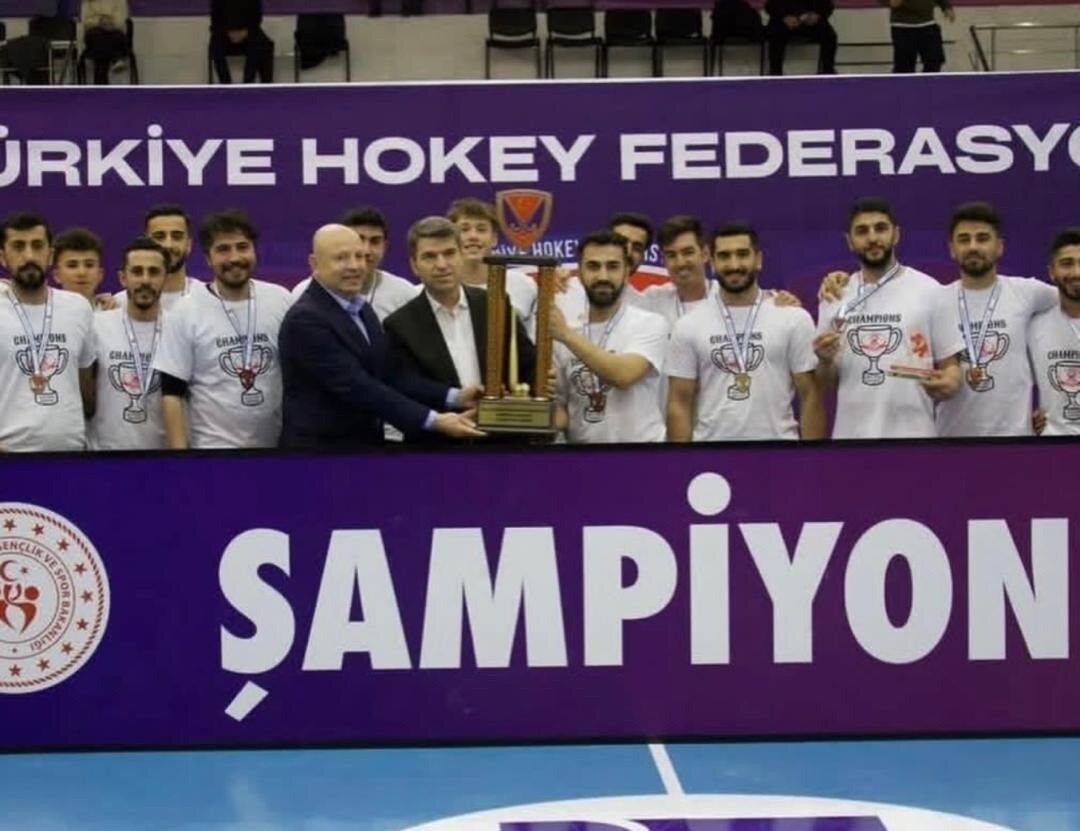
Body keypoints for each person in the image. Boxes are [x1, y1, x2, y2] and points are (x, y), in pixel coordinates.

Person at [278, 224, 483, 449]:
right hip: (319, 454)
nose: (354, 266)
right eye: (341, 258)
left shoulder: (362, 310)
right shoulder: (305, 319)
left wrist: (456, 397)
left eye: (360, 256)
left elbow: (389, 374)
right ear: (314, 264)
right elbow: (357, 386)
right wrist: (434, 420)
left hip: (364, 448)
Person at [815, 197, 962, 438]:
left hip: (914, 437)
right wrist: (824, 361)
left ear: (896, 235)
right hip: (851, 439)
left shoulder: (930, 290)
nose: (872, 238)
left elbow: (951, 366)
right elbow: (825, 383)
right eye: (862, 231)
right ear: (849, 241)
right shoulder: (834, 295)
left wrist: (950, 382)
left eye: (881, 228)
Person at [667, 222, 824, 441]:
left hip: (780, 451)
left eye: (742, 254)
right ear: (712, 262)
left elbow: (810, 395)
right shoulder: (688, 325)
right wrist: (680, 459)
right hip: (711, 453)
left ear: (758, 260)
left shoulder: (793, 318)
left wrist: (812, 456)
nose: (734, 265)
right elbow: (679, 402)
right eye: (724, 256)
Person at [383, 217, 534, 436]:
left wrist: (530, 388)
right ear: (414, 266)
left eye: (449, 253)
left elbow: (527, 364)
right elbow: (404, 385)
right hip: (437, 445)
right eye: (430, 256)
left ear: (462, 256)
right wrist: (455, 397)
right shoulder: (398, 324)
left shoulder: (496, 304)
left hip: (502, 438)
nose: (442, 264)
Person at [153, 210, 292, 449]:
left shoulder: (281, 299)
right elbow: (171, 395)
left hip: (276, 450)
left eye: (242, 247)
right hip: (213, 451)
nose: (235, 257)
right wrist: (180, 458)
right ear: (208, 258)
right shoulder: (185, 311)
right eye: (223, 249)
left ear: (254, 250)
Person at [935, 202, 1058, 437]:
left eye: (982, 238)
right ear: (952, 249)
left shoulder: (1028, 293)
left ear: (999, 246)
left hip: (1015, 439)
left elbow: (1071, 310)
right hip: (951, 441)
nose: (973, 246)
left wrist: (1056, 406)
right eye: (964, 239)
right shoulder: (935, 300)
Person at [551, 230, 669, 443]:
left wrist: (566, 334)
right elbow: (562, 412)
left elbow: (623, 376)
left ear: (626, 272)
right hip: (582, 458)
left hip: (642, 454)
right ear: (580, 273)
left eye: (613, 266)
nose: (603, 276)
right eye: (593, 266)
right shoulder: (565, 335)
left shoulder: (650, 323)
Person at [0, 212, 95, 452]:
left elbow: (86, 387)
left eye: (37, 246)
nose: (29, 256)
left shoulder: (78, 308)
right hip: (9, 455)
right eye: (18, 247)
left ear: (50, 255)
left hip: (71, 454)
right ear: (3, 257)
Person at [88, 237, 169, 450]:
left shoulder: (180, 329)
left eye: (154, 272)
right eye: (137, 271)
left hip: (163, 457)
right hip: (106, 455)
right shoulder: (96, 325)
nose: (145, 280)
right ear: (123, 278)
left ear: (165, 277)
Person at [290, 206, 420, 320]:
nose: (366, 250)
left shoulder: (405, 293)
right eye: (359, 239)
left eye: (375, 241)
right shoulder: (304, 292)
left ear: (385, 247)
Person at [447, 198, 538, 333]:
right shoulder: (436, 289)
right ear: (451, 238)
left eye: (481, 230)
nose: (473, 236)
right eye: (464, 229)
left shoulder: (524, 285)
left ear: (494, 239)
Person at [1031, 228, 1080, 436]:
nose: (1076, 272)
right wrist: (1026, 418)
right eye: (1067, 263)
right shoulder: (1033, 328)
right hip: (1053, 447)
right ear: (1052, 271)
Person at [630, 215, 718, 328]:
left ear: (705, 254)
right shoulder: (653, 300)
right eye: (671, 255)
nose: (680, 263)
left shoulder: (726, 296)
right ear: (664, 260)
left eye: (688, 253)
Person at [117, 204, 204, 311]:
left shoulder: (209, 300)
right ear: (146, 243)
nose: (168, 245)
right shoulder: (118, 305)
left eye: (177, 237)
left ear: (189, 245)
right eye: (159, 237)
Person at [764, 0, 837, 75]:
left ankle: (828, 70)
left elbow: (828, 6)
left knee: (829, 35)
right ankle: (775, 71)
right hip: (783, 22)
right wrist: (783, 17)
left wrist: (818, 15)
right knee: (775, 32)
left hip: (811, 23)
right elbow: (769, 6)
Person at [210, 0, 274, 84]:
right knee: (215, 43)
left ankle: (250, 83)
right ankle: (226, 84)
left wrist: (246, 31)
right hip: (225, 34)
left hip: (248, 33)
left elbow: (257, 17)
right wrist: (227, 32)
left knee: (264, 44)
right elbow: (215, 20)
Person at [885, 0, 954, 73]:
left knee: (934, 61)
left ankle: (927, 80)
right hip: (903, 28)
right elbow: (892, 3)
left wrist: (946, 6)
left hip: (928, 24)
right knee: (904, 68)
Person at [52, 228, 109, 310]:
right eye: (72, 265)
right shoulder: (46, 314)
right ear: (56, 275)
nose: (82, 272)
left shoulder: (115, 312)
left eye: (89, 265)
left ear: (100, 274)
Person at [81, 0, 128, 85]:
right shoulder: (87, 2)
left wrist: (110, 22)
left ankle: (99, 77)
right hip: (94, 34)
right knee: (97, 34)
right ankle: (116, 59)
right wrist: (99, 21)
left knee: (112, 36)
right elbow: (86, 21)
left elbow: (121, 20)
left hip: (113, 32)